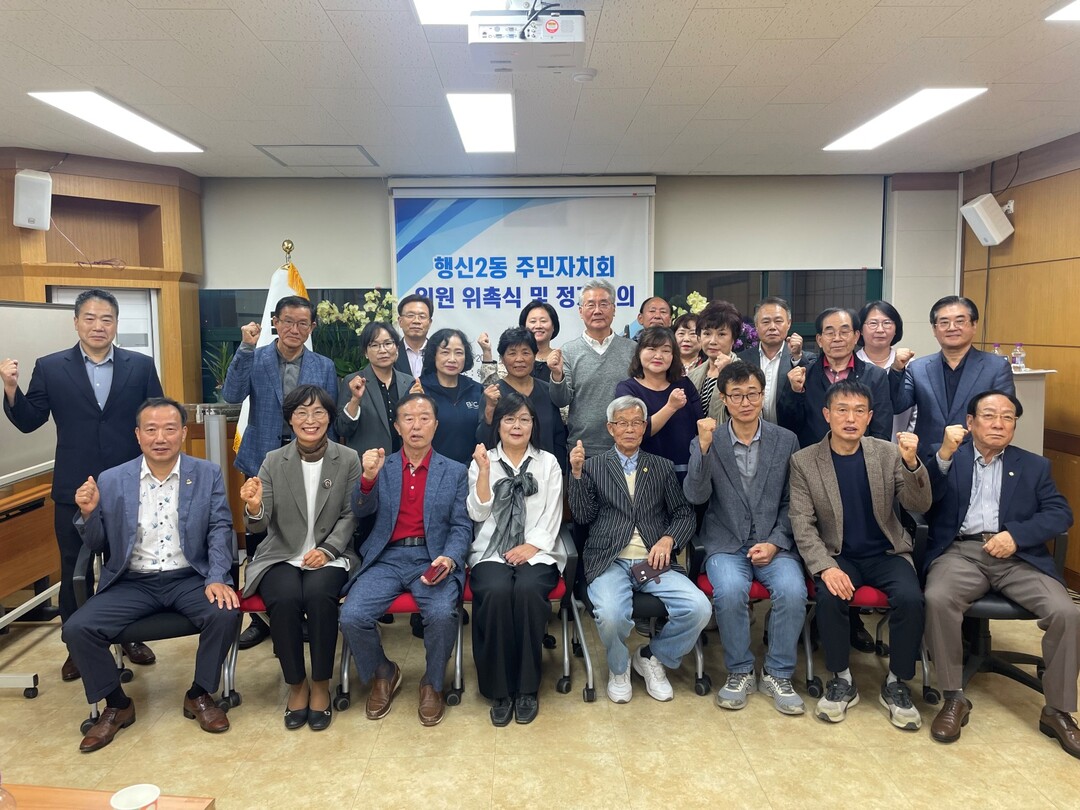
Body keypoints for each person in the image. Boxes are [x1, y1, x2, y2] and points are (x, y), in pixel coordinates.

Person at [2, 289, 162, 681]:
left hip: (128, 484)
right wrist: (10, 389)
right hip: (73, 487)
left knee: (128, 565)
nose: (98, 326)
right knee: (75, 568)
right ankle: (78, 647)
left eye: (106, 319)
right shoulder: (51, 367)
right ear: (76, 322)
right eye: (90, 318)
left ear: (116, 324)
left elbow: (156, 418)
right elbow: (30, 420)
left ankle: (130, 636)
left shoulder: (140, 366)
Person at [63, 398, 239, 752]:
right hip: (132, 581)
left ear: (184, 433)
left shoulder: (207, 474)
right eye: (151, 429)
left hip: (188, 576)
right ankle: (116, 704)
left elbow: (220, 528)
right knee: (77, 628)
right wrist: (89, 513)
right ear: (138, 435)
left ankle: (200, 693)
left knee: (226, 612)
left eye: (170, 429)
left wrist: (218, 576)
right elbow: (96, 543)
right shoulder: (113, 479)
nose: (161, 438)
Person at [923, 390, 1078, 755]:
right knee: (938, 597)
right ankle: (953, 697)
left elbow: (1060, 514)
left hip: (1018, 556)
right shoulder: (948, 456)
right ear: (970, 422)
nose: (998, 424)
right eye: (989, 415)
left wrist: (1016, 536)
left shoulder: (1034, 465)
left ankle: (1057, 711)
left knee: (1067, 612)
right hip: (961, 552)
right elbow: (922, 500)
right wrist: (943, 456)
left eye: (1007, 417)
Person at [788, 380, 932, 729]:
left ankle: (897, 681)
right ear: (827, 415)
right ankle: (841, 679)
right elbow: (802, 523)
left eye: (858, 411)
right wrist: (825, 568)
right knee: (830, 595)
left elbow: (919, 504)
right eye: (842, 410)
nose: (850, 418)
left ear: (869, 417)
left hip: (886, 552)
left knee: (911, 598)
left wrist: (912, 464)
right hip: (838, 554)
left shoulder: (888, 453)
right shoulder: (804, 461)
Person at [567, 395, 711, 704]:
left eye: (636, 422)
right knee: (611, 615)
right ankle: (619, 668)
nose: (630, 429)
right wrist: (576, 474)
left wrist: (669, 539)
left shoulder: (661, 467)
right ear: (610, 428)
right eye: (622, 423)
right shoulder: (593, 466)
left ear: (645, 427)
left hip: (653, 560)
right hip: (609, 559)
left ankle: (652, 657)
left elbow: (684, 514)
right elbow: (582, 516)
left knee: (699, 608)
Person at [339, 393, 470, 727]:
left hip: (432, 556)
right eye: (408, 419)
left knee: (441, 614)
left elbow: (461, 526)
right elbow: (360, 511)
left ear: (436, 425)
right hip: (387, 557)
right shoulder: (382, 466)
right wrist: (367, 479)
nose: (416, 426)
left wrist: (450, 558)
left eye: (424, 418)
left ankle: (432, 683)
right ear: (397, 426)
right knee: (352, 616)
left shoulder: (455, 471)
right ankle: (383, 671)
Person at [683, 362, 806, 715]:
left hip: (773, 541)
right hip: (725, 541)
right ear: (723, 399)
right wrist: (703, 449)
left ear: (763, 395)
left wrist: (776, 541)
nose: (745, 402)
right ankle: (740, 671)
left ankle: (778, 673)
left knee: (793, 591)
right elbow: (695, 495)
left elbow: (793, 501)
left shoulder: (786, 440)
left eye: (752, 393)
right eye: (736, 395)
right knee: (730, 590)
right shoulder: (710, 440)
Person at [239, 385, 361, 732]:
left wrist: (328, 550)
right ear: (290, 420)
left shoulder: (347, 458)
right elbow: (259, 523)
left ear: (329, 418)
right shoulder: (273, 460)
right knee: (284, 596)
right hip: (282, 553)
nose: (311, 420)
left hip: (331, 553)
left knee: (320, 595)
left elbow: (351, 515)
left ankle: (320, 683)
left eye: (319, 412)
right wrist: (254, 506)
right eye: (302, 413)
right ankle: (296, 684)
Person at [222, 294, 338, 649]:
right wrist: (245, 348)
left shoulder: (323, 365)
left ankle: (297, 612)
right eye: (288, 321)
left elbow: (329, 416)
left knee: (304, 530)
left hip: (310, 461)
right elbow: (231, 395)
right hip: (262, 459)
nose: (294, 329)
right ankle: (261, 618)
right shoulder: (255, 358)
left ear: (312, 327)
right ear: (275, 322)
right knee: (259, 536)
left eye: (303, 323)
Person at [467, 393, 565, 726]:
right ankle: (499, 689)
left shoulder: (548, 463)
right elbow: (477, 513)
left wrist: (531, 546)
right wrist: (484, 472)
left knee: (526, 591)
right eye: (509, 419)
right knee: (495, 591)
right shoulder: (484, 460)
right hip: (490, 551)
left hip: (537, 552)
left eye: (524, 419)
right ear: (498, 424)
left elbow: (552, 513)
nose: (517, 426)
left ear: (533, 424)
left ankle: (526, 688)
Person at [889, 295, 1014, 459]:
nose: (952, 327)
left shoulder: (996, 367)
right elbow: (898, 405)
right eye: (944, 322)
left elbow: (1005, 414)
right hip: (928, 458)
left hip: (977, 456)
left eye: (960, 321)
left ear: (974, 325)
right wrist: (897, 369)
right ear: (934, 330)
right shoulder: (918, 368)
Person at [777, 306, 892, 449]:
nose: (837, 338)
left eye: (844, 332)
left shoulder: (875, 376)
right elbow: (787, 426)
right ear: (819, 340)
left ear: (856, 336)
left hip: (861, 458)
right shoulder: (803, 375)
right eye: (830, 333)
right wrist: (795, 392)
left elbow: (881, 430)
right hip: (812, 458)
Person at [548, 280, 637, 458]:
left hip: (626, 446)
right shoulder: (569, 351)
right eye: (590, 305)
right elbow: (561, 400)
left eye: (604, 304)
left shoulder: (632, 349)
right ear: (581, 311)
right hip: (582, 448)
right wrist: (557, 375)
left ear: (614, 309)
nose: (597, 311)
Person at [615, 326, 703, 481]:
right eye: (652, 349)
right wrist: (671, 407)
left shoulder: (684, 384)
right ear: (639, 352)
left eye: (666, 350)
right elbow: (635, 431)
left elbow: (700, 424)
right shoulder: (627, 389)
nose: (658, 356)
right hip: (645, 474)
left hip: (686, 472)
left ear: (673, 355)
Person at [478, 328, 567, 473]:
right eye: (512, 353)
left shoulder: (548, 391)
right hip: (501, 475)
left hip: (545, 474)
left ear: (535, 355)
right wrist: (489, 409)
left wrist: (560, 474)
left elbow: (558, 438)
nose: (519, 359)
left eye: (525, 353)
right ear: (502, 359)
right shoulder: (493, 394)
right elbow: (483, 441)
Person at [336, 322, 416, 459]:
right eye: (374, 345)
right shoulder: (353, 382)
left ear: (397, 348)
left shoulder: (409, 382)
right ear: (365, 352)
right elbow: (342, 429)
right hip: (369, 463)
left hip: (404, 462)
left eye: (388, 343)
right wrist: (355, 400)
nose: (382, 350)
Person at [419, 328, 483, 466]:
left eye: (459, 353)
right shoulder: (420, 389)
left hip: (471, 470)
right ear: (433, 355)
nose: (452, 359)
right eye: (445, 352)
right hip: (431, 469)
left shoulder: (476, 390)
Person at [737, 296, 804, 424]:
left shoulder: (801, 359)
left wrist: (797, 357)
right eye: (766, 322)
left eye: (778, 321)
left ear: (789, 323)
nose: (772, 327)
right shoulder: (741, 360)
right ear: (756, 326)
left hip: (792, 433)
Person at [856, 300, 914, 439]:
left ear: (896, 329)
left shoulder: (910, 365)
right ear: (860, 330)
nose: (880, 330)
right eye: (873, 323)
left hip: (903, 446)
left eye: (887, 323)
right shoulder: (852, 366)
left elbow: (917, 412)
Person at [686, 301, 743, 424]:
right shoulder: (693, 375)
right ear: (699, 337)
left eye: (721, 334)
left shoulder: (745, 373)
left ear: (733, 339)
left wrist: (728, 374)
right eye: (707, 333)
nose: (712, 341)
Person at [480, 300, 562, 384]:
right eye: (533, 321)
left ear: (553, 326)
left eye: (543, 321)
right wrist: (487, 352)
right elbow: (493, 387)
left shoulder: (561, 359)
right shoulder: (512, 358)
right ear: (524, 326)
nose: (538, 326)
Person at [394, 294, 433, 379]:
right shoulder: (391, 352)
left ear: (429, 323)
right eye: (410, 315)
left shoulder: (438, 353)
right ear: (400, 321)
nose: (416, 321)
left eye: (422, 316)